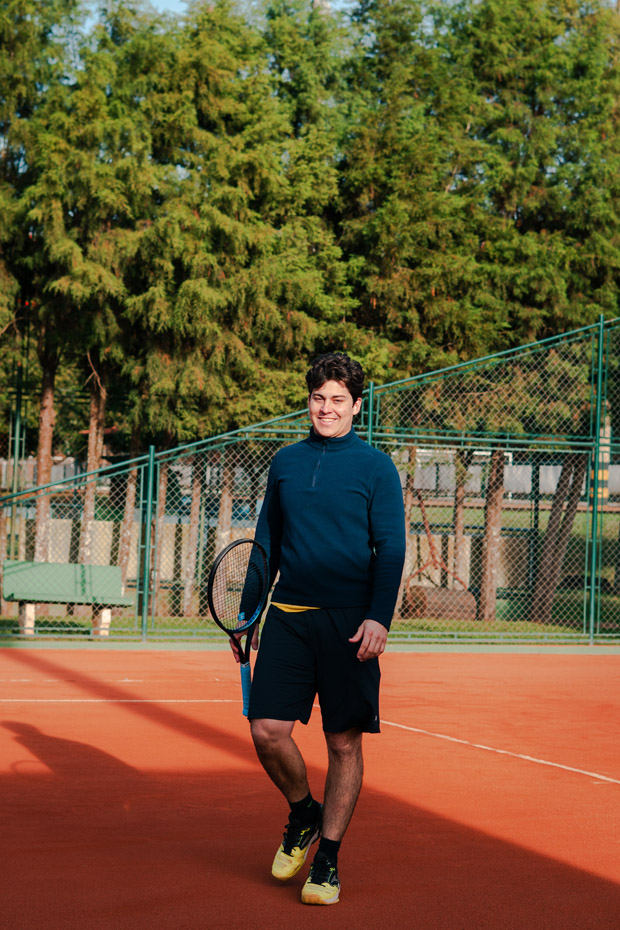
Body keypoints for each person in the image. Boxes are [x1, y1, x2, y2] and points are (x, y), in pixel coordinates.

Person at [231, 352, 406, 905]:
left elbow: (390, 548)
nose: (326, 408)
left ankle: (327, 859)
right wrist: (247, 613)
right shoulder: (285, 462)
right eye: (318, 398)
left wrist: (379, 616)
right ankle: (304, 812)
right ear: (308, 401)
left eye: (337, 400)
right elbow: (266, 545)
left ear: (357, 405)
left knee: (343, 742)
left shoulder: (377, 468)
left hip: (351, 624)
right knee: (266, 730)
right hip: (288, 616)